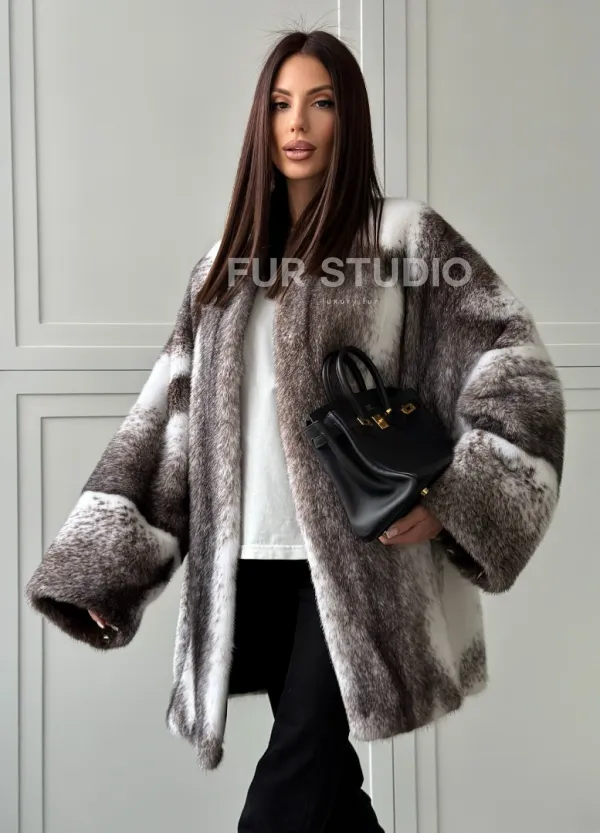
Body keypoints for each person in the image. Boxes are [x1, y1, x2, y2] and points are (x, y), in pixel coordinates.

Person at [25, 26, 566, 833]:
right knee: (328, 798)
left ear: (349, 118)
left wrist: (458, 496)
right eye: (281, 104)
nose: (298, 124)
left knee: (286, 795)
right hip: (252, 560)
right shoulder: (222, 266)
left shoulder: (404, 239)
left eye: (321, 103)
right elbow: (168, 422)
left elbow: (514, 363)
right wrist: (107, 571)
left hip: (360, 559)